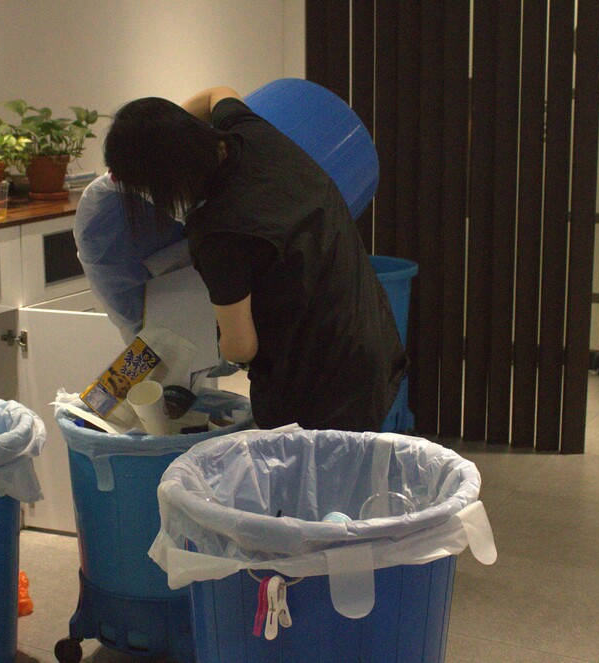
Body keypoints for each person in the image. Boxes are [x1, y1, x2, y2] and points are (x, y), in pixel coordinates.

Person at [103, 86, 407, 432]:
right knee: (350, 474)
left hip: (316, 384)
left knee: (312, 483)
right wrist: (163, 132)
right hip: (371, 341)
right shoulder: (251, 133)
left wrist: (210, 339)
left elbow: (242, 346)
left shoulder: (218, 231)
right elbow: (216, 93)